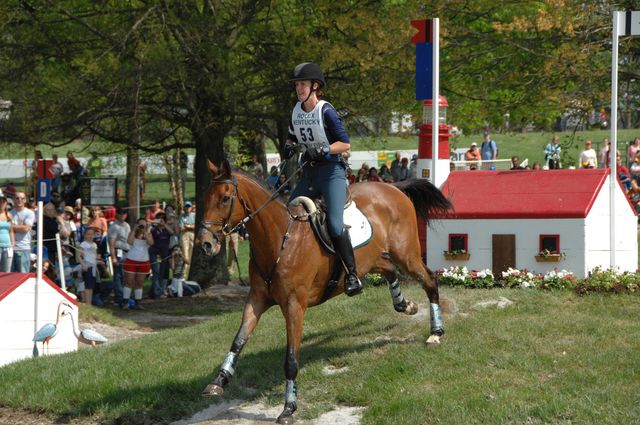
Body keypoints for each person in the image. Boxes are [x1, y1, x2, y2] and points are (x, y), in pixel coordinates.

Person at [283, 62, 362, 296]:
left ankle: (352, 274)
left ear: (315, 86)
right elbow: (290, 137)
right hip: (309, 172)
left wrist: (326, 150)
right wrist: (288, 147)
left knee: (335, 224)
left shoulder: (326, 111)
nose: (299, 89)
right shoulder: (296, 110)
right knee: (288, 213)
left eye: (303, 84)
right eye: (297, 84)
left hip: (331, 173)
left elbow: (345, 143)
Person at [122, 219, 153, 309]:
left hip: (144, 261)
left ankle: (138, 303)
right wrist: (134, 230)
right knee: (129, 281)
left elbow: (151, 243)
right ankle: (125, 302)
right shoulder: (133, 233)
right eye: (140, 225)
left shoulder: (148, 234)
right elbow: (130, 242)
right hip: (131, 260)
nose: (142, 227)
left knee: (139, 283)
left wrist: (145, 232)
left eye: (144, 225)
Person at [149, 212, 174, 298]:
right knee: (156, 272)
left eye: (163, 218)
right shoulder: (153, 229)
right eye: (159, 218)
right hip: (154, 253)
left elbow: (172, 233)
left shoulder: (167, 229)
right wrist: (152, 222)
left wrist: (165, 225)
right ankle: (157, 292)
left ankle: (156, 291)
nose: (161, 220)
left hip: (164, 254)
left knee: (162, 273)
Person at [108, 208, 130, 306]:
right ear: (117, 214)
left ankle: (125, 296)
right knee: (118, 275)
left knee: (125, 276)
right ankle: (119, 298)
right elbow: (111, 243)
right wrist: (113, 257)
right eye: (121, 213)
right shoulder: (114, 226)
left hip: (127, 251)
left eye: (125, 213)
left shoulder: (127, 225)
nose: (123, 215)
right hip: (118, 251)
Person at [78, 227, 104, 305]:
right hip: (87, 266)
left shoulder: (94, 244)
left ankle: (89, 302)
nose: (90, 236)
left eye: (92, 234)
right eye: (88, 234)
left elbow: (94, 256)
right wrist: (83, 265)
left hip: (93, 267)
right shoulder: (83, 244)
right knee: (87, 285)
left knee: (91, 286)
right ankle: (87, 302)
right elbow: (79, 256)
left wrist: (99, 259)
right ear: (85, 235)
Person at [10, 192, 35, 273]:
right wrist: (20, 226)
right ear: (13, 199)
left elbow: (26, 229)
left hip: (23, 248)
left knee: (23, 275)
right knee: (9, 276)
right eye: (17, 198)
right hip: (9, 248)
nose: (19, 200)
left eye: (22, 198)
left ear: (25, 200)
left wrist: (10, 226)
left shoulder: (29, 213)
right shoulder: (9, 213)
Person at [178, 201, 196, 275]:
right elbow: (181, 228)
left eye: (189, 206)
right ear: (184, 207)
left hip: (192, 235)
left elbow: (196, 226)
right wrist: (191, 226)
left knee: (192, 254)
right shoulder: (181, 216)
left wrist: (188, 226)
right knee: (185, 254)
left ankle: (190, 272)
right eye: (186, 206)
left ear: (191, 207)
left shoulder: (194, 215)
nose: (188, 208)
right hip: (184, 236)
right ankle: (184, 273)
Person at [0, 194, 14, 272]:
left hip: (7, 246)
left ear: (6, 203)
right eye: (0, 201)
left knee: (6, 271)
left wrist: (13, 242)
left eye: (3, 201)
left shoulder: (9, 215)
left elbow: (11, 230)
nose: (1, 203)